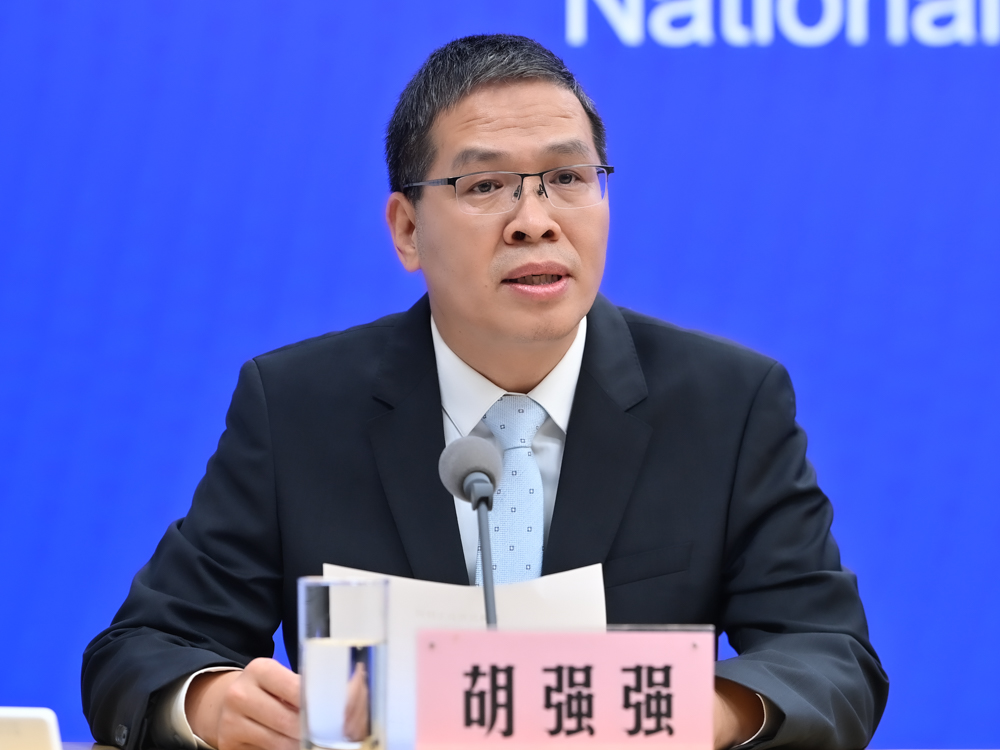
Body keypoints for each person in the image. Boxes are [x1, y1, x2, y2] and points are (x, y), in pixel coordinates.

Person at [82, 34, 888, 750]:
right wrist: (212, 704)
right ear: (406, 229)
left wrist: (702, 712)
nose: (535, 220)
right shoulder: (297, 406)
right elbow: (143, 648)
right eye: (485, 186)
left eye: (567, 177)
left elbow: (829, 656)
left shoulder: (728, 403)